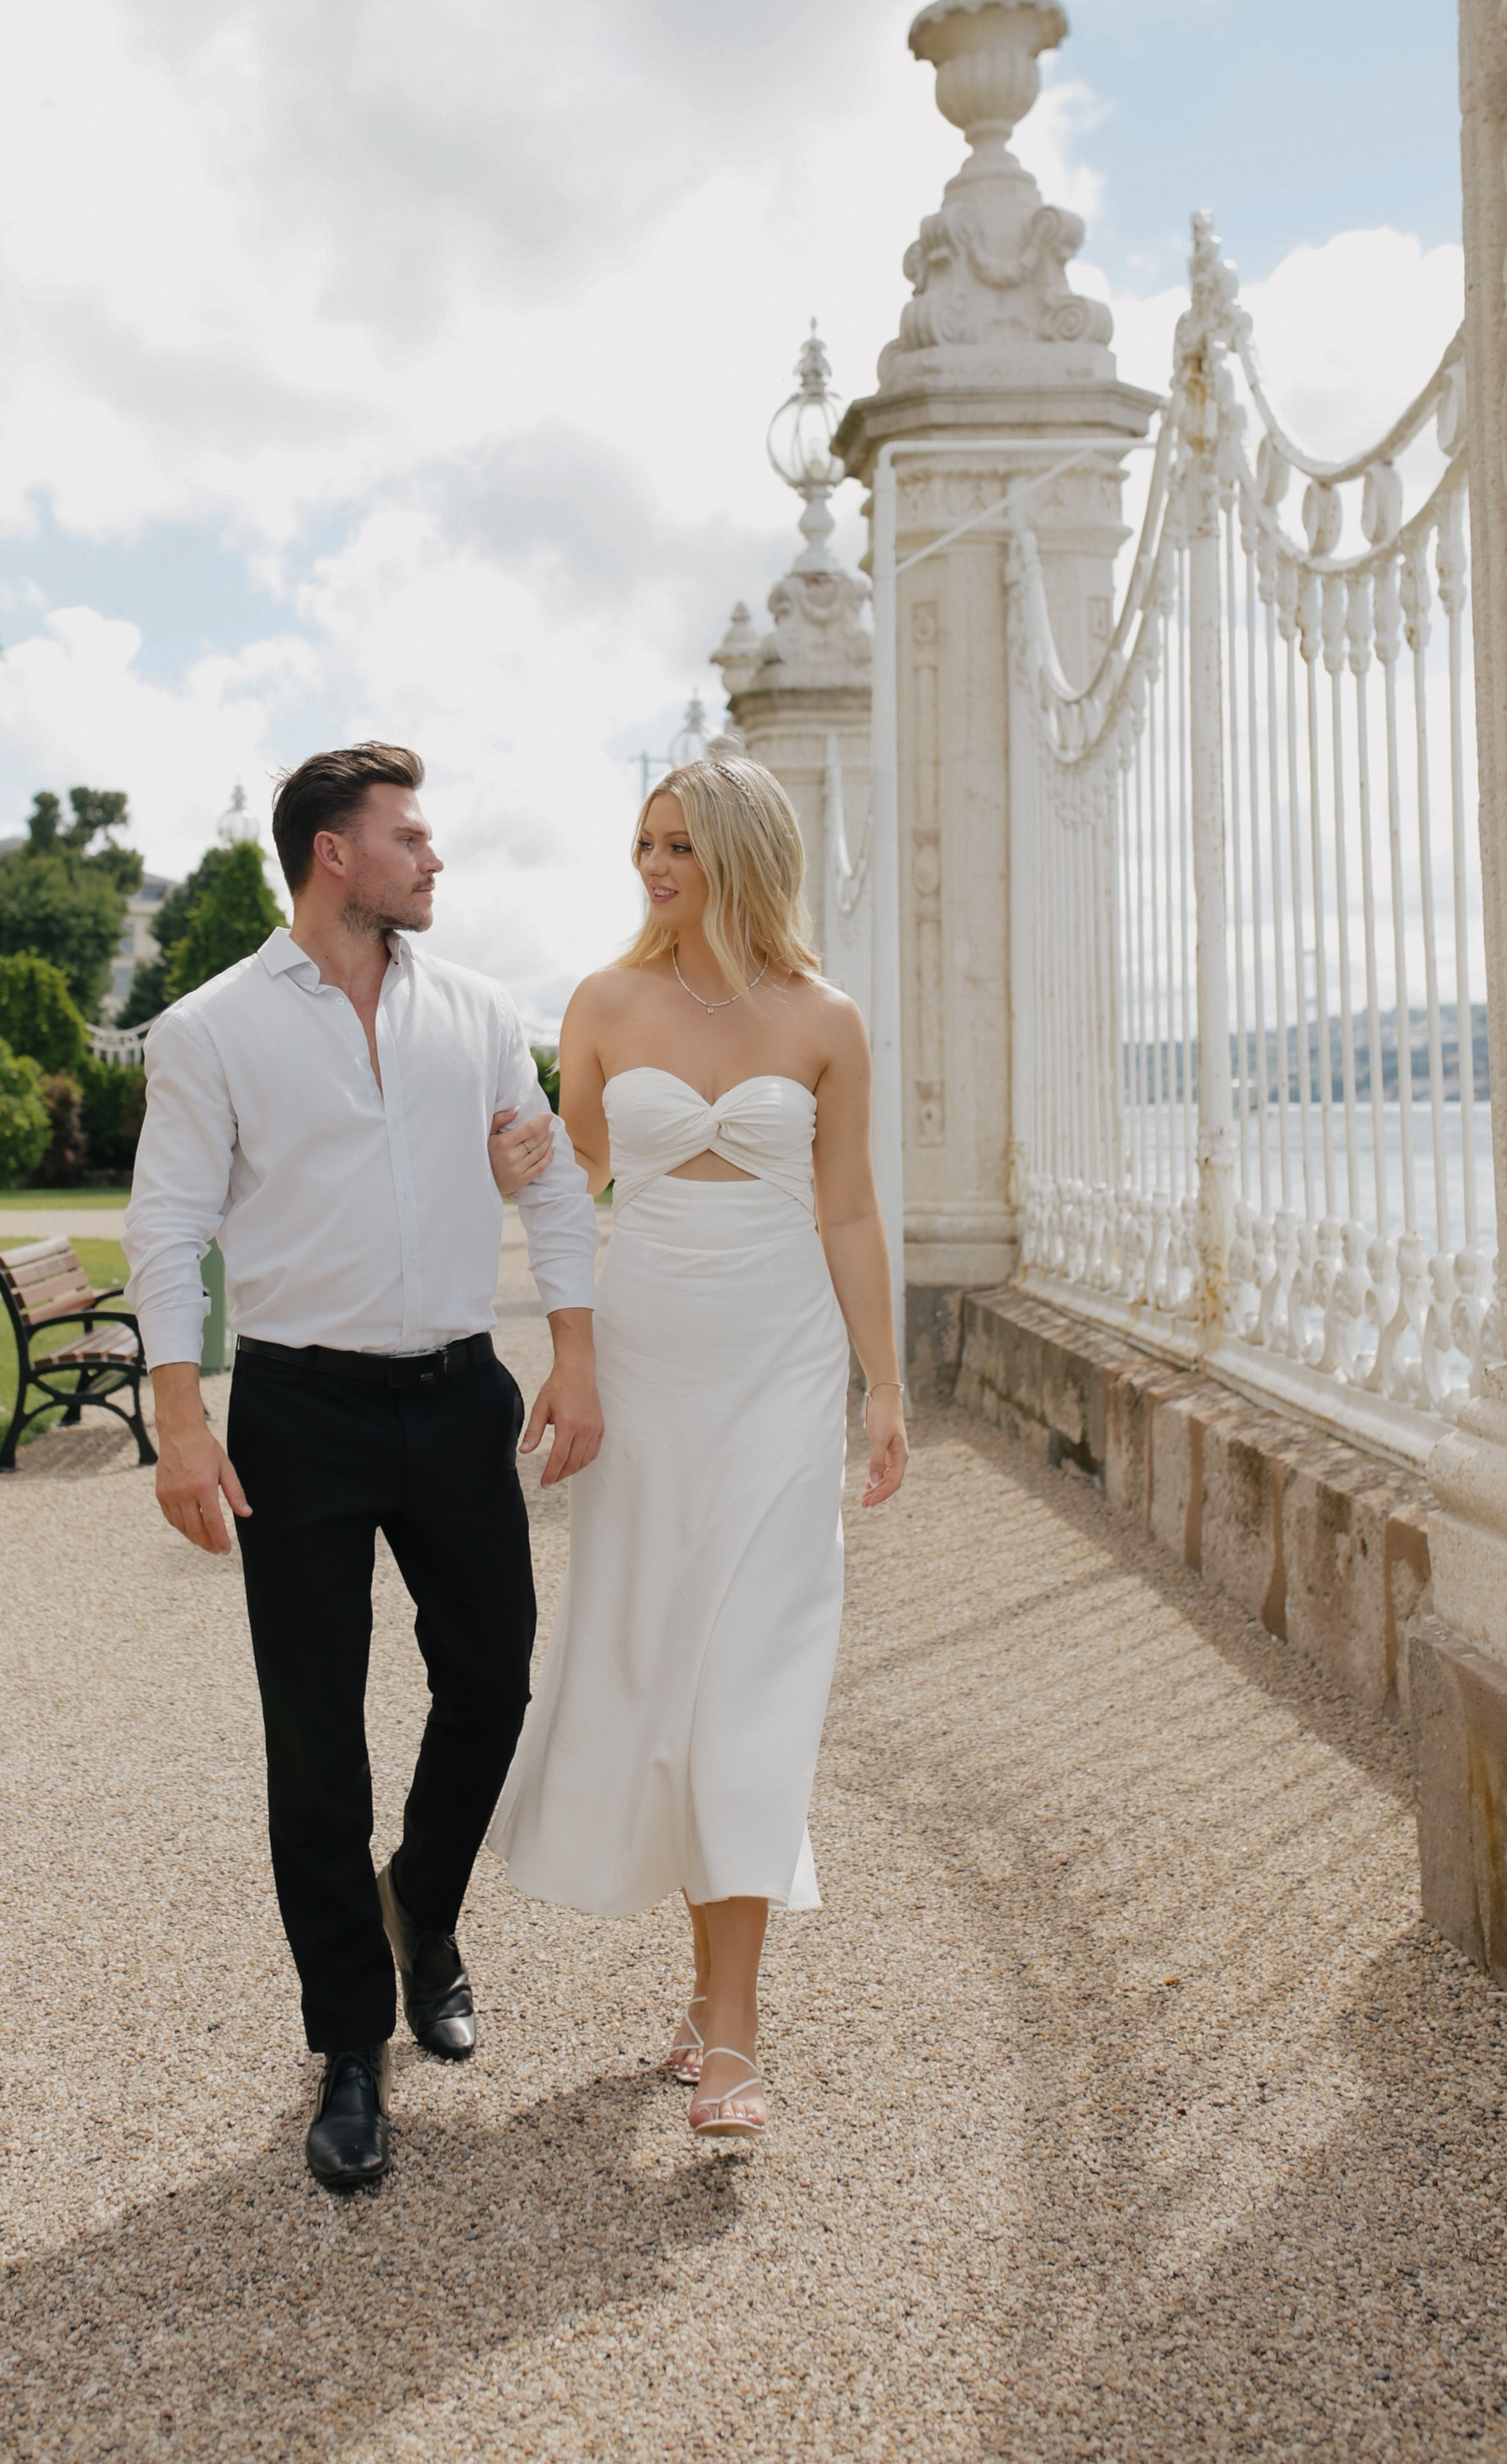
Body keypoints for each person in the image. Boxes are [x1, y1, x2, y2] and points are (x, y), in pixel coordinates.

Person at [124, 743, 602, 2193]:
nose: (434, 856)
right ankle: (348, 2043)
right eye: (411, 834)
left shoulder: (477, 1010)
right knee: (315, 1732)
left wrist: (574, 1353)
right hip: (301, 1417)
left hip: (461, 1396)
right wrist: (182, 1415)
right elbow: (165, 1227)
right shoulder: (209, 1030)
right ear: (337, 853)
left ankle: (425, 1902)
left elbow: (549, 1172)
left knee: (496, 1679)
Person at [486, 753, 908, 2138]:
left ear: (739, 849)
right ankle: (703, 1998)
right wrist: (523, 1180)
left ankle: (732, 2035)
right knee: (669, 1670)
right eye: (643, 843)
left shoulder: (828, 1017)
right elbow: (582, 1176)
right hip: (655, 1361)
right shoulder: (603, 1003)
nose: (653, 866)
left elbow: (848, 1214)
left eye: (677, 843)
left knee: (755, 1679)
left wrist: (887, 1392)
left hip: (784, 1367)